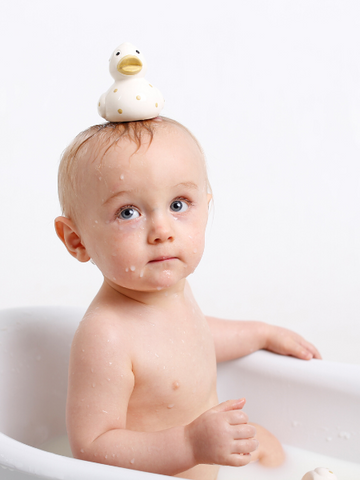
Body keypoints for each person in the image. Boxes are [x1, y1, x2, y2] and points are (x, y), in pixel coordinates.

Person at [55, 117, 321, 480]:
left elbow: (190, 340)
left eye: (179, 204)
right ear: (77, 240)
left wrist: (260, 333)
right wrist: (189, 444)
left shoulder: (171, 295)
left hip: (206, 459)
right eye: (128, 213)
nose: (162, 231)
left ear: (206, 208)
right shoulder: (107, 335)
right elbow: (91, 448)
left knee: (272, 447)